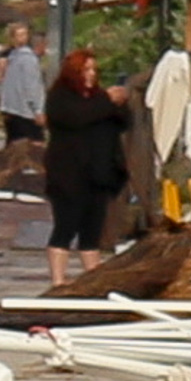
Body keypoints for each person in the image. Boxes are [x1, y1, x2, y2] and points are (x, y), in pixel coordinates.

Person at [40, 46, 134, 285]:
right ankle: (58, 282)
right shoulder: (60, 97)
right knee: (66, 226)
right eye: (86, 70)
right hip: (68, 175)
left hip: (97, 174)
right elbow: (78, 117)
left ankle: (93, 281)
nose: (91, 74)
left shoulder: (99, 97)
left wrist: (120, 103)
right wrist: (107, 100)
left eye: (93, 69)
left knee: (92, 231)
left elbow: (122, 122)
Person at [0, 21, 47, 151]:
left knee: (12, 150)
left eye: (25, 34)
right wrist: (38, 111)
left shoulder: (9, 58)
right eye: (20, 35)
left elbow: (0, 86)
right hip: (25, 113)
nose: (23, 37)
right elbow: (32, 86)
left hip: (10, 110)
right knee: (34, 150)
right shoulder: (28, 59)